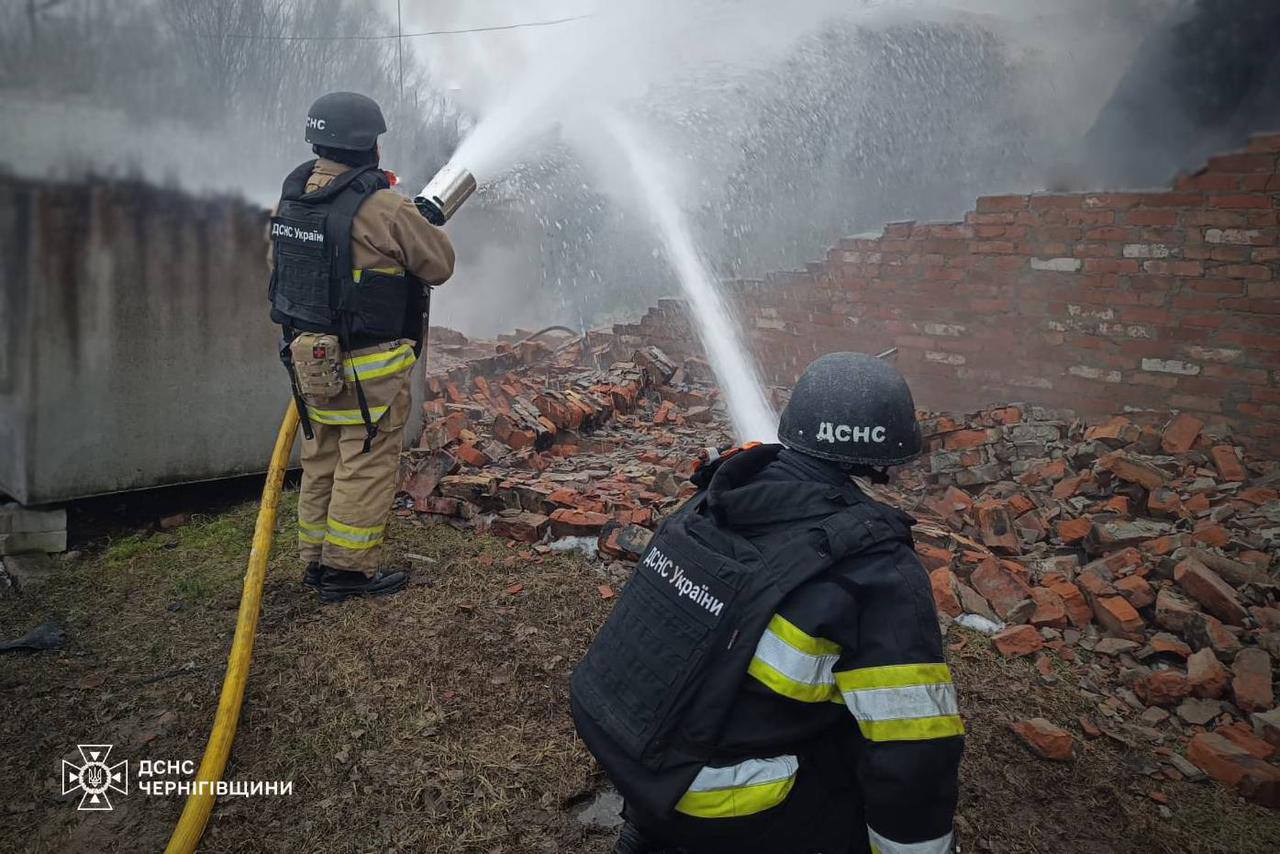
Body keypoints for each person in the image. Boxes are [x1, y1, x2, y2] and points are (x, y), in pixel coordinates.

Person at [571, 353, 963, 854]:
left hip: (623, 743)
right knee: (852, 775)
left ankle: (650, 830)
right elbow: (914, 753)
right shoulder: (877, 570)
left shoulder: (716, 497)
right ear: (888, 459)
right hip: (711, 798)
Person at [268, 91, 455, 603]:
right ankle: (347, 572)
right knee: (365, 459)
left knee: (321, 457)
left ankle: (315, 561)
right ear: (368, 145)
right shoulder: (385, 207)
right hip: (370, 366)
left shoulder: (292, 199)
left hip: (310, 361)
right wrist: (420, 222)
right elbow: (439, 265)